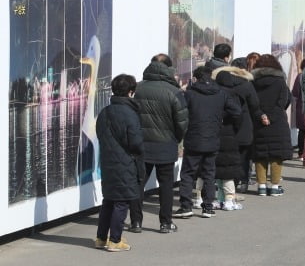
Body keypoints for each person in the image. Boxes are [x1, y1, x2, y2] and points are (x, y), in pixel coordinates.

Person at [173, 64, 242, 219]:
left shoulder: (189, 94)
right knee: (209, 173)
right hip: (213, 139)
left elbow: (179, 110)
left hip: (193, 139)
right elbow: (237, 110)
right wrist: (219, 117)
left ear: (195, 78)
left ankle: (186, 206)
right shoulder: (221, 93)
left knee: (188, 173)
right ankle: (208, 207)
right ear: (211, 77)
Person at [132, 54, 188, 234]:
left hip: (141, 143)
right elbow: (182, 123)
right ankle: (165, 222)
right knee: (166, 185)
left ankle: (135, 222)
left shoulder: (138, 89)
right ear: (170, 70)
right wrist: (176, 139)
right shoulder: (174, 91)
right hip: (166, 144)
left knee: (138, 183)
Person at [95, 75, 143, 252]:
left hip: (107, 162)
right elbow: (136, 143)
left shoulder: (104, 112)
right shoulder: (130, 114)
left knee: (108, 200)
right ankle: (115, 240)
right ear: (131, 92)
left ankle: (101, 238)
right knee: (122, 202)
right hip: (126, 162)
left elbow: (100, 135)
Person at [213, 62, 264, 195]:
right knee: (243, 155)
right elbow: (255, 105)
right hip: (244, 125)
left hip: (222, 126)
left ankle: (223, 185)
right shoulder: (246, 84)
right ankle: (242, 182)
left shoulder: (217, 83)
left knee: (223, 155)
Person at [252, 55, 293, 196]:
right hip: (277, 123)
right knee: (276, 155)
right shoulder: (280, 82)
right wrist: (272, 117)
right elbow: (283, 102)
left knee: (260, 155)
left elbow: (252, 103)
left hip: (258, 123)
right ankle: (275, 187)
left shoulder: (253, 82)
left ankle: (261, 186)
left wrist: (261, 116)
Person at [213, 70, 247, 211]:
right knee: (229, 171)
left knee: (218, 171)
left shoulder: (214, 93)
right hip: (229, 134)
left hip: (214, 134)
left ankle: (219, 199)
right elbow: (238, 115)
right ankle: (229, 200)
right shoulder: (233, 94)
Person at [292, 58, 305, 159]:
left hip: (301, 107)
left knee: (302, 131)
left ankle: (301, 153)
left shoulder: (300, 77)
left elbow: (295, 92)